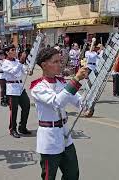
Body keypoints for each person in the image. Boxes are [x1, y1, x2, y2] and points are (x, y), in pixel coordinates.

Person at [30, 47, 87, 180]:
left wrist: (86, 104)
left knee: (72, 174)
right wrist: (76, 79)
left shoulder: (61, 83)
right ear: (44, 65)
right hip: (49, 139)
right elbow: (57, 102)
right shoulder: (38, 87)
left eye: (60, 61)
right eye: (55, 62)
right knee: (49, 176)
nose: (59, 65)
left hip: (65, 135)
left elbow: (77, 100)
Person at [2, 45, 31, 138]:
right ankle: (12, 129)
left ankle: (22, 127)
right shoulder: (5, 63)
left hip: (20, 87)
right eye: (12, 50)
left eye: (15, 50)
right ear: (7, 52)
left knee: (26, 106)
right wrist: (21, 62)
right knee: (14, 110)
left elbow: (24, 71)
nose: (15, 51)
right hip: (12, 88)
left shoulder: (17, 61)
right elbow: (14, 71)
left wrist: (29, 70)